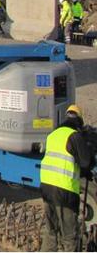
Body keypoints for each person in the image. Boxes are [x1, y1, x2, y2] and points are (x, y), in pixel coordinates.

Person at [40, 105, 94, 251]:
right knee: (70, 236)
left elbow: (61, 159)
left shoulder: (53, 135)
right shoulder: (74, 135)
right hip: (64, 191)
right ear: (79, 120)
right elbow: (85, 162)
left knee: (50, 231)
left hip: (46, 188)